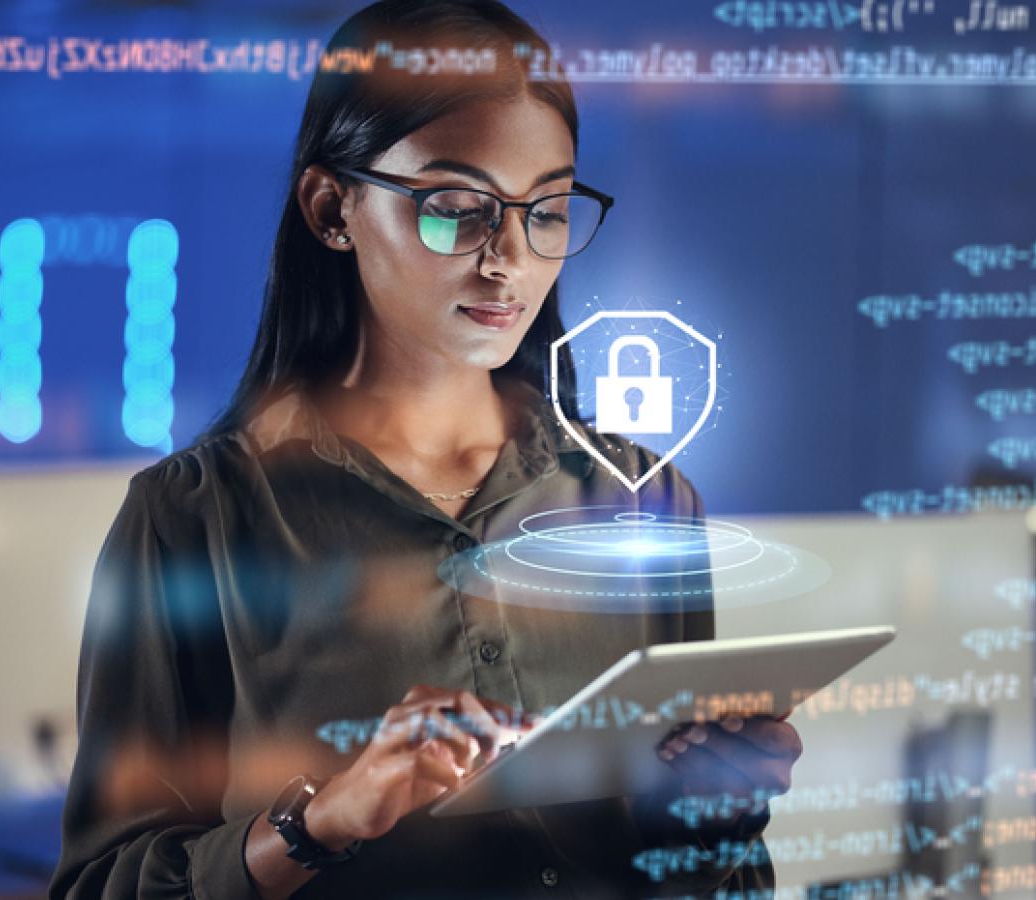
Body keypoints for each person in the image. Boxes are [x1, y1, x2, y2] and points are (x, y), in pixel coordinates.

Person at [49, 1, 802, 897]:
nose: (509, 261)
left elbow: (717, 880)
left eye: (548, 211)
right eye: (456, 209)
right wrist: (319, 822)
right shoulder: (193, 518)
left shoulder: (643, 496)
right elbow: (100, 886)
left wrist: (717, 816)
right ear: (333, 208)